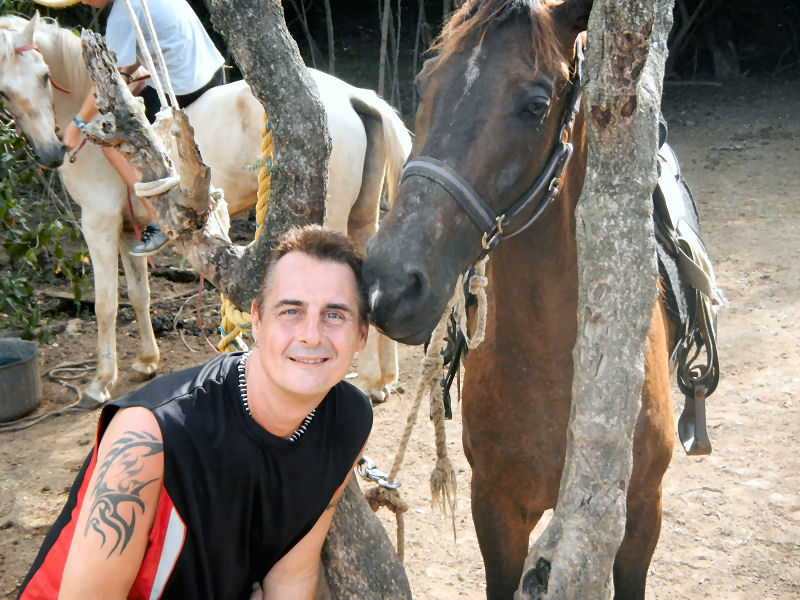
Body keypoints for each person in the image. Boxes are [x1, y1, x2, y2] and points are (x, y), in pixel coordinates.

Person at [17, 225, 373, 600]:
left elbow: (292, 571)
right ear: (256, 319)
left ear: (362, 334)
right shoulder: (148, 437)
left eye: (334, 315)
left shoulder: (347, 420)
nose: (311, 335)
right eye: (290, 311)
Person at [62, 0, 225, 257]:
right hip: (211, 70)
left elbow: (107, 82)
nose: (81, 1)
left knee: (116, 143)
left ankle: (160, 218)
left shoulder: (121, 14)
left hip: (183, 85)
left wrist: (76, 125)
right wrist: (126, 81)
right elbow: (127, 64)